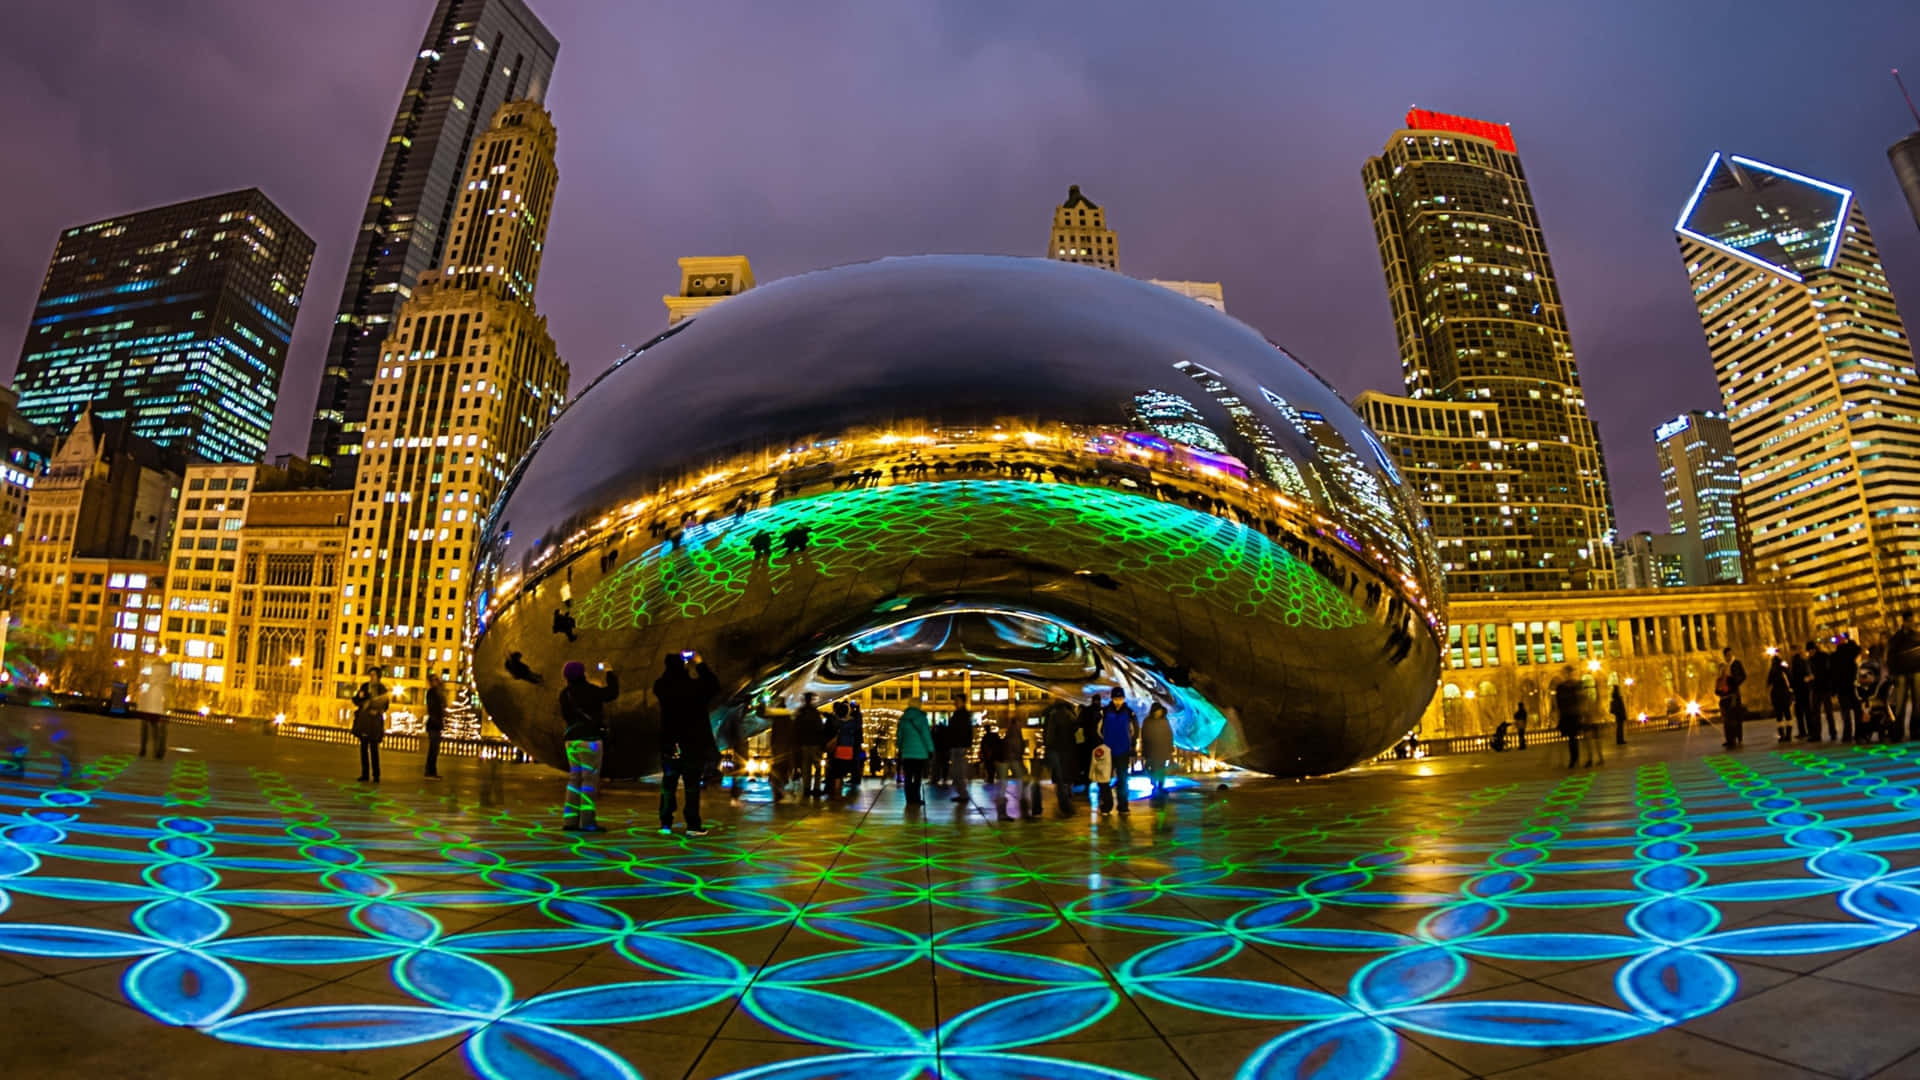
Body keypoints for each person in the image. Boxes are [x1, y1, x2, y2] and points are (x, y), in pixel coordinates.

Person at [655, 651, 719, 835]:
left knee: (668, 783)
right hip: (692, 744)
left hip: (669, 743)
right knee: (691, 786)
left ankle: (665, 822)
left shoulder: (662, 687)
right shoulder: (695, 687)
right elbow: (713, 685)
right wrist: (698, 664)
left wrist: (675, 666)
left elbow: (662, 682)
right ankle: (692, 824)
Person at [559, 661, 619, 831]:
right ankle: (587, 821)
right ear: (582, 673)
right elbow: (612, 693)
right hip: (590, 740)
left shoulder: (564, 694)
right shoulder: (591, 690)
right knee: (589, 781)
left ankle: (570, 820)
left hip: (571, 740)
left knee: (574, 779)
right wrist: (609, 672)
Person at [1099, 688, 1138, 815]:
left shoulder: (1129, 712)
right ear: (1112, 699)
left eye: (1120, 699)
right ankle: (1107, 804)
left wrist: (1132, 745)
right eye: (1116, 699)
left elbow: (1134, 731)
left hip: (1123, 750)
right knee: (1104, 779)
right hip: (1107, 750)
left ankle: (1123, 806)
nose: (1118, 701)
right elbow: (1098, 729)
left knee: (1122, 779)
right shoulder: (1104, 711)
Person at [1040, 697, 1080, 815]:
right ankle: (1067, 801)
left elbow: (1049, 735)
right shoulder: (1070, 715)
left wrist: (1048, 747)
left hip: (1056, 749)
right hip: (1068, 749)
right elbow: (1077, 729)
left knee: (1059, 777)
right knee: (1066, 775)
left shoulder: (1052, 715)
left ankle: (1064, 804)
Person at [351, 666, 391, 783]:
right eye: (370, 675)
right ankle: (365, 774)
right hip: (364, 720)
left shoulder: (382, 688)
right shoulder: (364, 686)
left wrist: (378, 710)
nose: (371, 677)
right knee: (363, 748)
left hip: (375, 722)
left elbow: (386, 705)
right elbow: (357, 700)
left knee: (374, 748)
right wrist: (361, 699)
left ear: (378, 677)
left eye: (373, 675)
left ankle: (376, 775)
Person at [995, 713, 1033, 822]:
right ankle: (1024, 811)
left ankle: (1001, 813)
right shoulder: (1015, 733)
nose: (1022, 724)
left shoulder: (1010, 732)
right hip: (1012, 760)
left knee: (1003, 785)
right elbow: (1015, 749)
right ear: (1017, 723)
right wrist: (1019, 764)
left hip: (1005, 760)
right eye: (1020, 722)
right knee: (1021, 784)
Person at [896, 700, 933, 807]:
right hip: (920, 753)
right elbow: (926, 735)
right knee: (917, 777)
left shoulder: (903, 719)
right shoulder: (922, 718)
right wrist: (930, 749)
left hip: (907, 753)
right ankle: (916, 798)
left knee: (907, 777)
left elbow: (899, 736)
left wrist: (900, 747)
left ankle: (909, 799)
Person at [1890, 613, 1920, 740]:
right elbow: (1891, 654)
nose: (1912, 623)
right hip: (1901, 673)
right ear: (1904, 621)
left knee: (1918, 704)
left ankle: (1916, 731)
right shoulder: (1898, 636)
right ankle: (1898, 732)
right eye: (1909, 621)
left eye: (1912, 621)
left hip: (1916, 671)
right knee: (1900, 704)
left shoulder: (1917, 636)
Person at [1140, 701, 1174, 803]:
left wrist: (1170, 747)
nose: (1158, 713)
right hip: (1152, 749)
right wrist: (1145, 749)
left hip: (1162, 749)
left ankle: (1160, 785)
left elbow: (1169, 734)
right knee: (1153, 767)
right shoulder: (1148, 721)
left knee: (1161, 768)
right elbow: (1144, 736)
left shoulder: (1164, 721)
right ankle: (1154, 782)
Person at [1832, 634, 1863, 742]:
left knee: (1846, 712)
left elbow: (1832, 674)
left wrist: (1834, 690)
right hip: (1851, 684)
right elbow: (1858, 649)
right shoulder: (1849, 652)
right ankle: (1859, 733)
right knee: (1856, 710)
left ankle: (1847, 734)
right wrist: (1850, 641)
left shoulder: (1834, 656)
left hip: (1842, 687)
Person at [826, 701, 861, 796]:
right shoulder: (852, 723)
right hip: (848, 749)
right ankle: (838, 791)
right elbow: (858, 723)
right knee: (841, 773)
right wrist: (857, 710)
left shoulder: (837, 722)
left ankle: (836, 792)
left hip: (838, 748)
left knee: (837, 772)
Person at [796, 691, 827, 797]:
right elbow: (820, 728)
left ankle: (806, 788)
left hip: (804, 744)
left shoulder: (801, 712)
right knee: (817, 767)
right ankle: (816, 788)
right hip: (815, 744)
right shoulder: (815, 712)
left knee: (806, 768)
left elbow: (797, 729)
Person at [1552, 668, 1583, 768]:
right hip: (1571, 716)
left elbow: (1558, 703)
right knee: (1572, 738)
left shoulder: (1562, 687)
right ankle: (1574, 758)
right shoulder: (1573, 686)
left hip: (1569, 716)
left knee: (1571, 738)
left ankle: (1573, 758)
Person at [1716, 647, 1747, 748]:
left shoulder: (1736, 663)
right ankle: (1729, 738)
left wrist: (1734, 679)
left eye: (1730, 654)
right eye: (1727, 655)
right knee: (1727, 719)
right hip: (1725, 697)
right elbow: (1718, 682)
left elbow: (1743, 676)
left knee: (1735, 717)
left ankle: (1737, 737)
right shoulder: (1723, 666)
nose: (1728, 657)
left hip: (1734, 694)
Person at [947, 696, 975, 803]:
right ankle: (962, 793)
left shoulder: (961, 715)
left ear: (962, 702)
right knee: (956, 771)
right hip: (957, 745)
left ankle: (963, 794)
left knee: (958, 771)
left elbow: (962, 731)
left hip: (959, 745)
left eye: (957, 700)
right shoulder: (961, 714)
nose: (955, 702)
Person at [1808, 638, 1834, 742]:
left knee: (1825, 712)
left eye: (1811, 650)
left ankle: (1828, 733)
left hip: (1822, 687)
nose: (1810, 653)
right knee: (1818, 713)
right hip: (1818, 688)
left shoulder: (1821, 658)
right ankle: (1820, 734)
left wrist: (1813, 677)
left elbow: (1826, 672)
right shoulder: (1813, 659)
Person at [1789, 644, 1815, 742]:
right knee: (1805, 712)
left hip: (1800, 690)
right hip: (1803, 690)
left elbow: (1797, 677)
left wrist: (1793, 686)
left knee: (1802, 712)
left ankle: (1804, 731)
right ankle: (1807, 731)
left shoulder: (1797, 662)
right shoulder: (1800, 661)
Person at [423, 672, 447, 778]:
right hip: (433, 724)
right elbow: (432, 708)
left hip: (436, 724)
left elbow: (443, 705)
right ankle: (430, 771)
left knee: (435, 749)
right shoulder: (432, 692)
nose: (436, 682)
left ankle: (431, 770)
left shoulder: (438, 692)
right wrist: (437, 718)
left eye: (437, 680)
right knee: (433, 749)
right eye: (434, 680)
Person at [1767, 653, 1793, 744]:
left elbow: (1768, 683)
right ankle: (1788, 735)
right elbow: (1790, 680)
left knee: (1779, 716)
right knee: (1787, 714)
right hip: (1785, 695)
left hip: (1776, 696)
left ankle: (1782, 735)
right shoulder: (1784, 670)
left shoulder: (1772, 671)